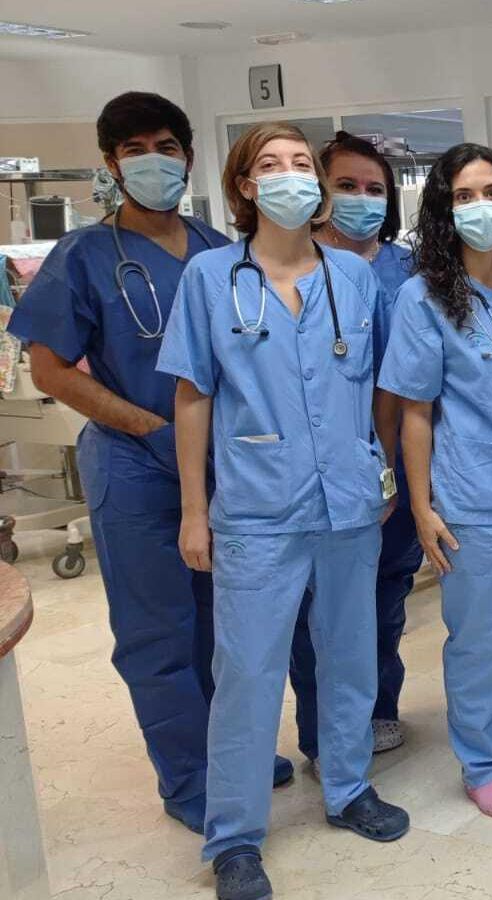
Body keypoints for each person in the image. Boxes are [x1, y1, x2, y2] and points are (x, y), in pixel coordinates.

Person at [9, 91, 294, 834]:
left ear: (188, 157)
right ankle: (191, 777)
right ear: (112, 164)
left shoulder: (220, 249)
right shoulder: (83, 256)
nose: (152, 162)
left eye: (164, 147)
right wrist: (151, 427)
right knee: (159, 631)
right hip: (134, 466)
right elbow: (50, 370)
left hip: (224, 464)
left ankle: (232, 751)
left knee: (225, 624)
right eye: (134, 151)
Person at [158, 122, 409, 900]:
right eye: (271, 165)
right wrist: (193, 510)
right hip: (256, 509)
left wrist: (383, 471)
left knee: (351, 654)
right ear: (245, 186)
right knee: (248, 672)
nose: (291, 175)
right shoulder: (210, 277)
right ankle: (234, 837)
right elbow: (192, 396)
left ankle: (348, 787)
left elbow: (380, 387)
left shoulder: (354, 277)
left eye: (302, 164)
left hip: (349, 503)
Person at [379, 143, 492, 819]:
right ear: (443, 210)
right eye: (464, 196)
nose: (481, 207)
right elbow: (415, 412)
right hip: (473, 500)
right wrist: (421, 505)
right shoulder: (423, 298)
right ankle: (483, 760)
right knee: (481, 638)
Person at [289, 131, 422, 772]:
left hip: (394, 466)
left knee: (386, 596)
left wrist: (395, 468)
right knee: (317, 609)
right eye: (346, 186)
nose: (362, 200)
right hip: (317, 467)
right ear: (319, 191)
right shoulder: (291, 268)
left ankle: (378, 708)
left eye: (375, 189)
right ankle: (323, 732)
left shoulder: (409, 271)